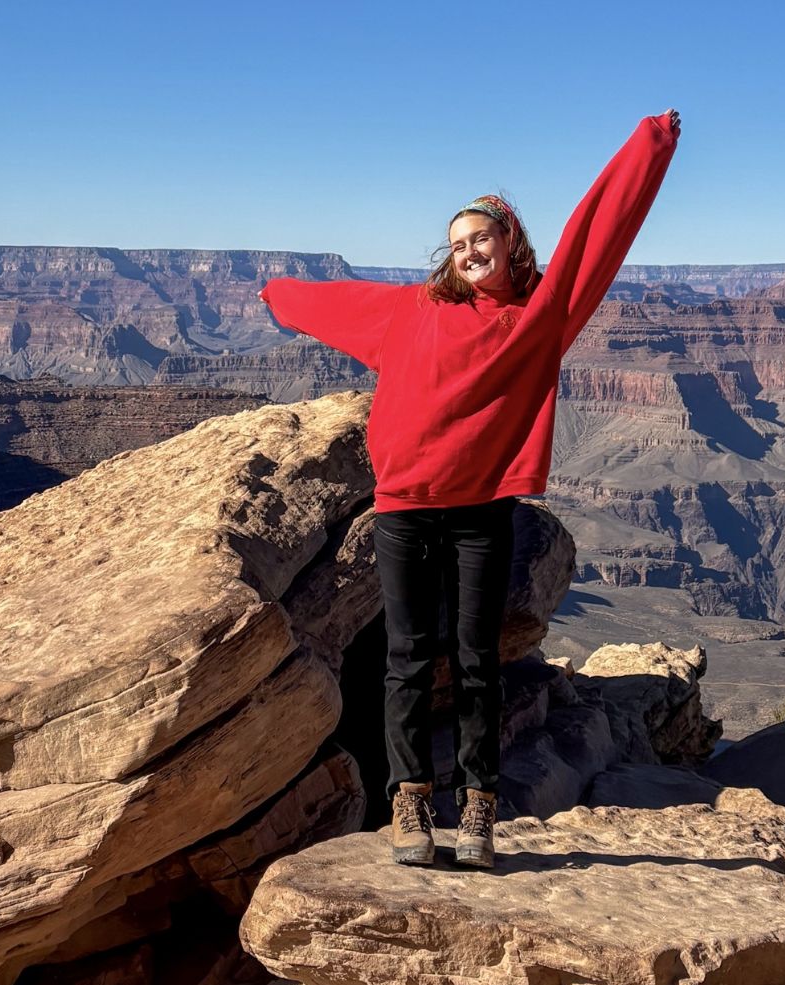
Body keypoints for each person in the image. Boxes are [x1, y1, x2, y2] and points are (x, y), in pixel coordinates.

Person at [259, 109, 681, 869]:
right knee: (409, 657)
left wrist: (650, 143)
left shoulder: (540, 316)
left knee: (478, 660)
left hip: (483, 509)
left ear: (508, 240)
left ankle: (480, 811)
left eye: (478, 237)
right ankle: (411, 801)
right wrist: (274, 291)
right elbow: (330, 302)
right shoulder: (410, 312)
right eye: (455, 245)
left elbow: (598, 236)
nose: (467, 251)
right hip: (404, 510)